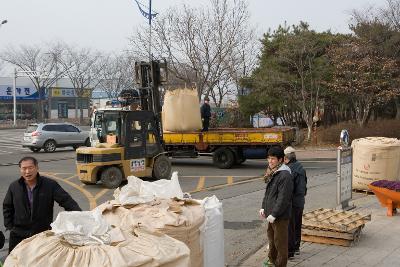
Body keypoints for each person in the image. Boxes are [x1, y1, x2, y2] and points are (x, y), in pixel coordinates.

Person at [3, 156, 81, 253]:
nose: (27, 171)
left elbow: (67, 201)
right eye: (24, 168)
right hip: (18, 235)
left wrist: (80, 217)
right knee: (16, 261)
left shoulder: (49, 185)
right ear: (20, 170)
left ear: (37, 168)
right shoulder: (14, 186)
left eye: (30, 168)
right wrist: (10, 226)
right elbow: (7, 207)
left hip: (42, 235)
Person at [260, 146, 293, 267]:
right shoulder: (273, 172)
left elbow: (283, 198)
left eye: (273, 159)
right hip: (271, 214)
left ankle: (280, 264)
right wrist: (263, 207)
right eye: (268, 158)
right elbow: (268, 193)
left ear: (280, 160)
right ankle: (272, 262)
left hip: (280, 216)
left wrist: (274, 214)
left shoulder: (284, 175)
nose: (270, 161)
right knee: (272, 240)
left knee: (280, 243)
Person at [284, 146, 307, 258]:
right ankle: (297, 247)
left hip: (292, 202)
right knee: (297, 224)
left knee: (290, 227)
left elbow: (289, 188)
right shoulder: (300, 167)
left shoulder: (289, 169)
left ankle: (290, 251)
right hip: (300, 201)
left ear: (286, 158)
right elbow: (304, 187)